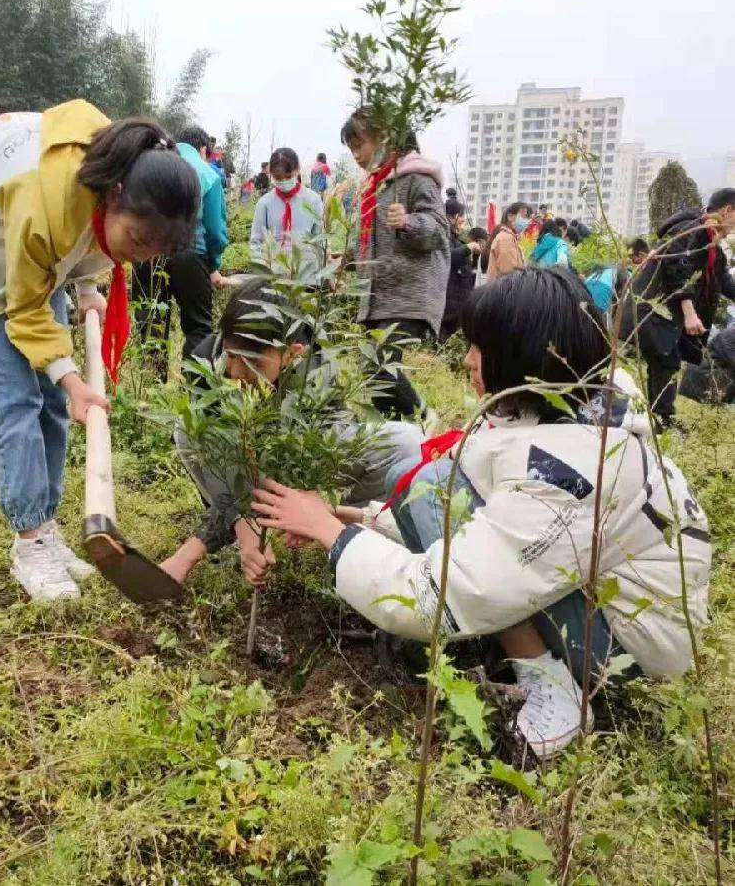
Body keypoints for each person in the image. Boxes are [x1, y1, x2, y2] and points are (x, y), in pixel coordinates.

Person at [251, 267, 711, 760]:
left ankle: (554, 692)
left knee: (430, 487)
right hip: (599, 601)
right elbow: (487, 514)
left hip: (626, 646)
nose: (468, 360)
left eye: (480, 348)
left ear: (522, 356)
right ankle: (525, 655)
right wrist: (342, 518)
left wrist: (328, 533)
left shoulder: (571, 471)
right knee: (426, 484)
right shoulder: (564, 411)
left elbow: (441, 592)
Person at [0, 100, 200, 601]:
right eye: (136, 241)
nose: (137, 257)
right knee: (18, 398)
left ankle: (47, 530)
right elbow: (26, 310)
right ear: (113, 197)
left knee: (51, 402)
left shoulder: (120, 169)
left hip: (31, 251)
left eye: (151, 252)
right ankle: (30, 541)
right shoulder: (44, 195)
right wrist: (72, 380)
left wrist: (87, 284)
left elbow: (85, 239)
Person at [159, 277, 423, 585]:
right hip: (243, 479)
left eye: (252, 363)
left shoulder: (316, 365)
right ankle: (237, 528)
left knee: (406, 442)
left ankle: (342, 524)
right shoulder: (207, 363)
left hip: (298, 475)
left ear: (292, 353)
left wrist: (310, 507)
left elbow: (323, 450)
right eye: (232, 357)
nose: (234, 372)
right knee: (189, 430)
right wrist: (243, 528)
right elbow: (232, 468)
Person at [340, 107, 450, 419]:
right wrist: (345, 260)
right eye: (351, 150)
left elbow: (438, 231)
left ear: (385, 139)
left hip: (408, 293)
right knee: (374, 376)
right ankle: (400, 432)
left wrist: (408, 222)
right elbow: (367, 240)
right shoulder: (376, 186)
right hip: (378, 295)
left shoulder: (415, 179)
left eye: (359, 145)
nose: (356, 156)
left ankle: (426, 420)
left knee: (379, 364)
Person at [624, 187, 735, 430]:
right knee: (666, 362)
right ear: (727, 210)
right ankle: (661, 420)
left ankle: (659, 418)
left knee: (666, 362)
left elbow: (723, 281)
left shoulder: (711, 243)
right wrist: (689, 311)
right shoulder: (690, 229)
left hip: (664, 315)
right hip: (652, 309)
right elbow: (675, 264)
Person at [132, 125, 229, 361]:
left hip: (146, 253)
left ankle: (150, 387)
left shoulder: (152, 164)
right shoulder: (208, 174)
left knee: (150, 320)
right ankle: (196, 391)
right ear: (204, 149)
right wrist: (213, 264)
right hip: (190, 252)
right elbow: (216, 231)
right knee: (198, 328)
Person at [250, 147, 324, 269]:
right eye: (278, 178)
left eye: (288, 176)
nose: (283, 181)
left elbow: (320, 239)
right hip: (275, 275)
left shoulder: (313, 200)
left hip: (307, 272)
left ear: (298, 169)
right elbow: (256, 241)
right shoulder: (265, 203)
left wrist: (322, 272)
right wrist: (263, 272)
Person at [439, 189, 483, 340]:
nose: (464, 219)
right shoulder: (442, 236)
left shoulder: (458, 238)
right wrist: (468, 248)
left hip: (459, 304)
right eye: (461, 215)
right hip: (447, 306)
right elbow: (447, 257)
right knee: (443, 341)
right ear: (451, 217)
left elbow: (468, 270)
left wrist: (476, 255)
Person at [485, 202, 526, 279]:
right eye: (523, 216)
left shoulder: (512, 237)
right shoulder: (505, 239)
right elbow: (509, 274)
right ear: (510, 216)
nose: (526, 221)